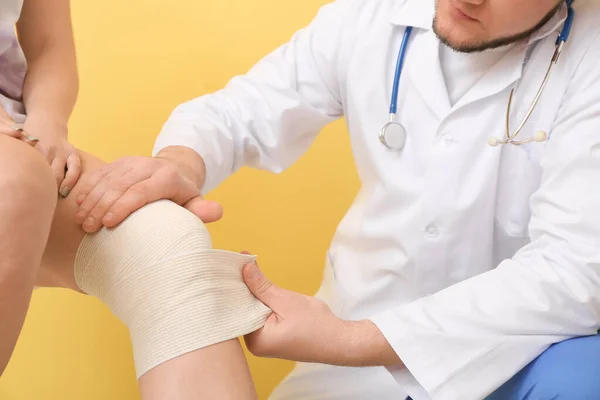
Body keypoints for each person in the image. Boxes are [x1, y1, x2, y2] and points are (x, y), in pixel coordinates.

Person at [74, 0, 600, 398]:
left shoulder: (590, 56)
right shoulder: (369, 15)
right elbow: (244, 110)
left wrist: (350, 339)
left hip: (509, 364)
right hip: (347, 370)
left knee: (585, 373)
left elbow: (576, 273)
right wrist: (179, 163)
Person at [0, 1, 270, 399]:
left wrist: (47, 124)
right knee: (15, 181)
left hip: (14, 133)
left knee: (160, 239)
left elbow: (48, 42)